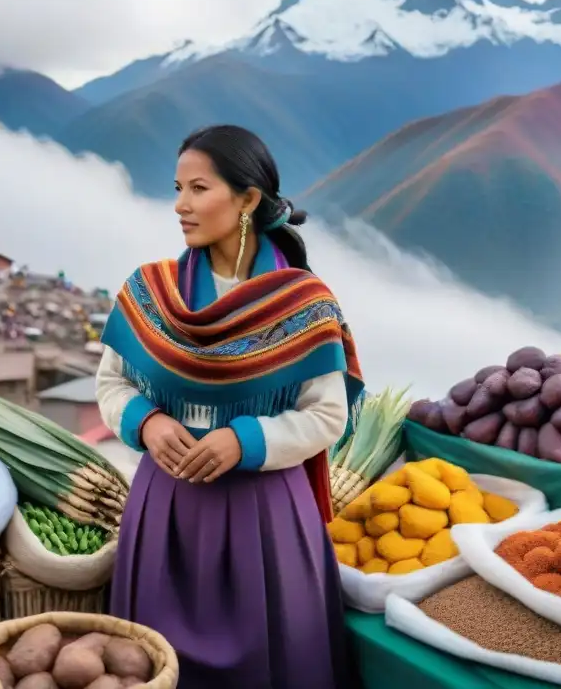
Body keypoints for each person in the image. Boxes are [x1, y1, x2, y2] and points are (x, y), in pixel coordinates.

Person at [95, 124, 362, 689]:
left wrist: (244, 440)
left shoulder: (301, 303)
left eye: (198, 189)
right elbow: (112, 384)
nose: (180, 206)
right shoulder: (150, 292)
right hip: (166, 505)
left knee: (272, 660)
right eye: (177, 188)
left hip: (262, 514)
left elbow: (327, 415)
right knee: (155, 663)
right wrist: (148, 422)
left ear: (247, 200)